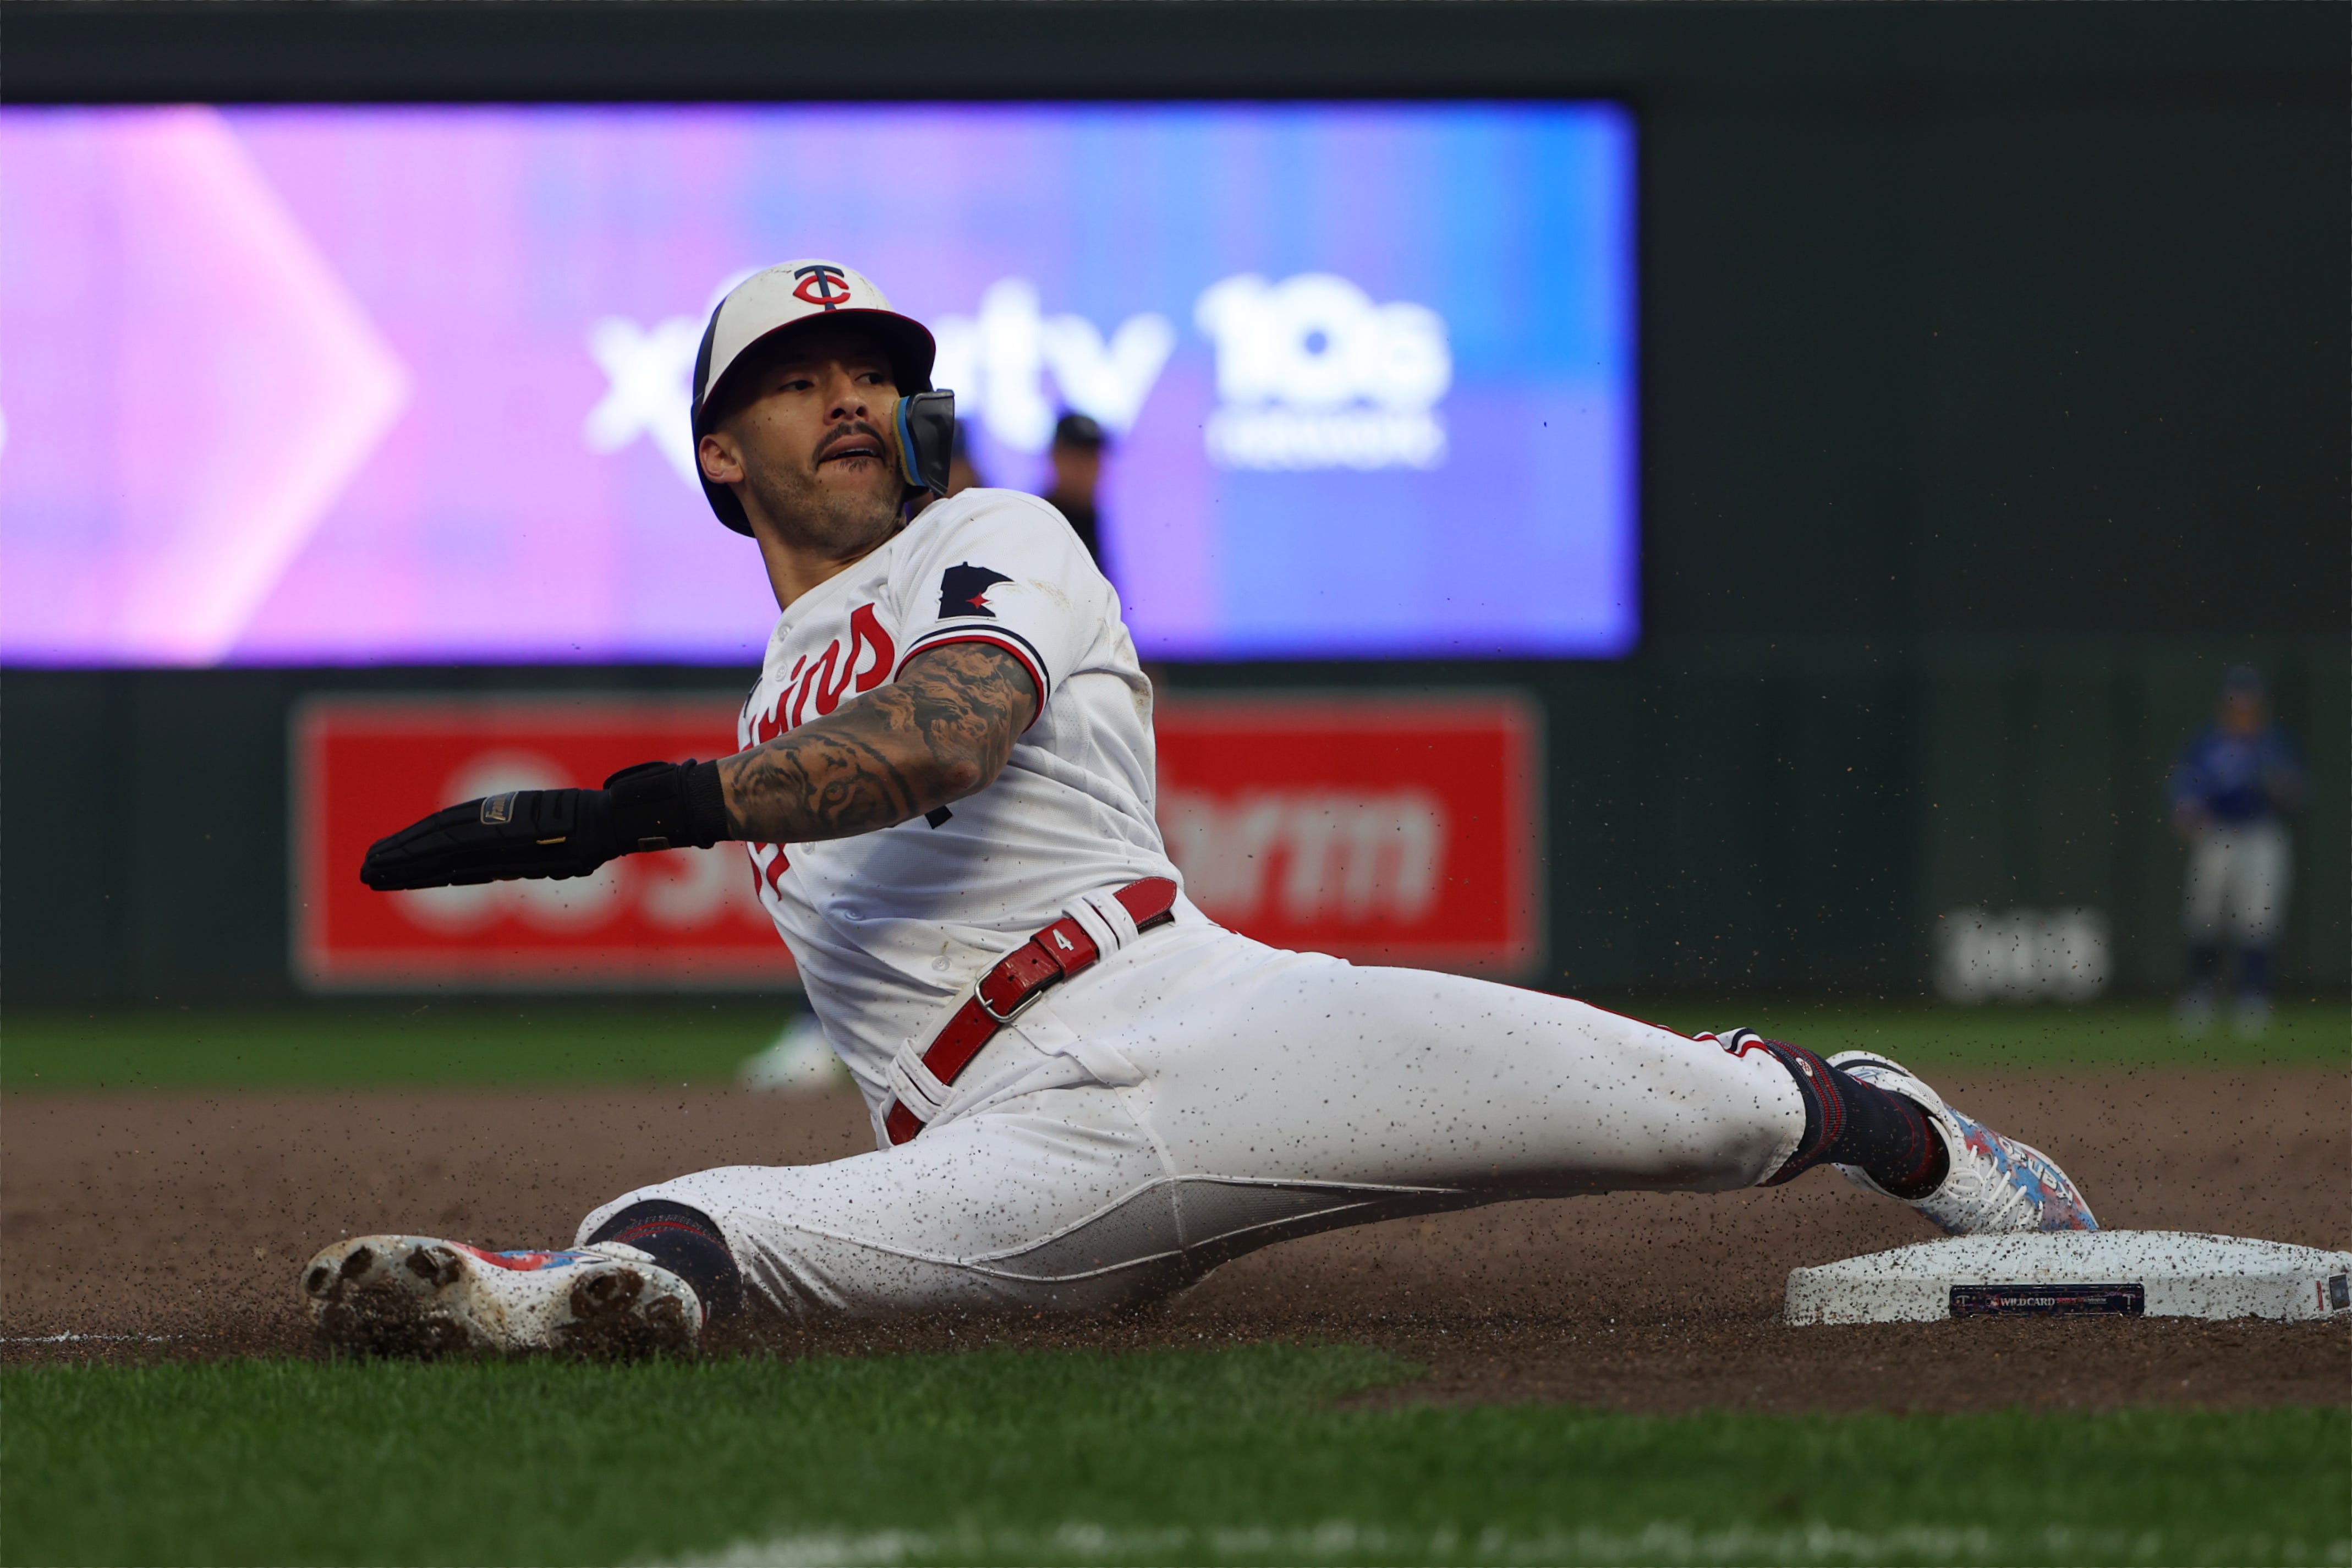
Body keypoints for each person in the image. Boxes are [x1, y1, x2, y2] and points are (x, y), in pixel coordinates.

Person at [303, 260, 2096, 1355]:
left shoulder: (993, 538)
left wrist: (643, 810)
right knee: (693, 1219)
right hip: (1007, 1152)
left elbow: (952, 730)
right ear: (719, 452)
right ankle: (563, 1309)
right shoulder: (769, 691)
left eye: (871, 369)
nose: (849, 393)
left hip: (1209, 1013)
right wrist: (679, 794)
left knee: (1698, 1121)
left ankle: (1894, 1126)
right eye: (794, 378)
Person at [2168, 666, 2305, 1035]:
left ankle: (2253, 997)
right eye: (2236, 704)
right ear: (2225, 705)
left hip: (2261, 833)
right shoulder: (2207, 744)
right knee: (2204, 915)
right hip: (2217, 832)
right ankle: (2200, 994)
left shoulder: (2272, 743)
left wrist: (2275, 781)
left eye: (2249, 705)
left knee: (2257, 919)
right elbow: (2185, 790)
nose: (2243, 711)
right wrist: (2187, 810)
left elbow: (2295, 792)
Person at [1042, 410, 1109, 572]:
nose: (1084, 468)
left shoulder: (1096, 519)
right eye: (1075, 457)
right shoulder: (1036, 522)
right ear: (1055, 457)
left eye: (1091, 456)